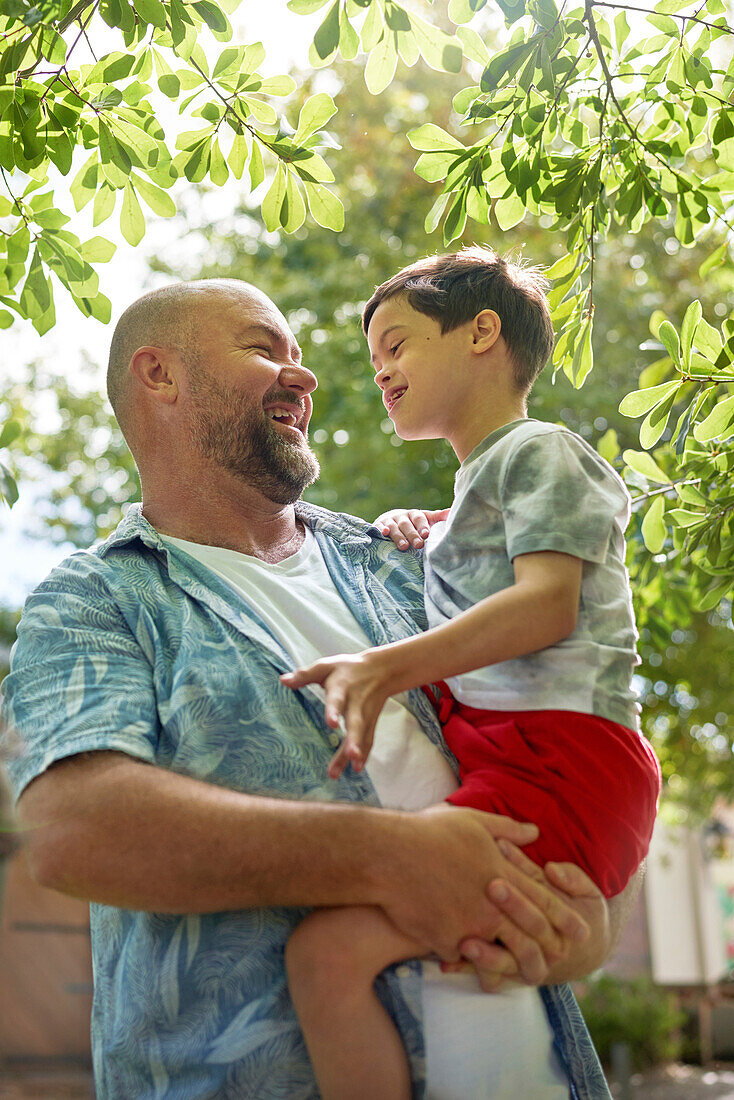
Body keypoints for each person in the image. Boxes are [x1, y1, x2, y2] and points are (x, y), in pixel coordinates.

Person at [1, 277, 631, 1100]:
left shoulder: (412, 565)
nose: (305, 377)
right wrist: (394, 861)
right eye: (266, 350)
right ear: (160, 376)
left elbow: (575, 741)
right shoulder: (99, 600)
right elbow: (72, 827)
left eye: (299, 356)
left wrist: (585, 934)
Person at [281, 249, 661, 1100]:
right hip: (527, 750)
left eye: (398, 344)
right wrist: (436, 524)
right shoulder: (489, 479)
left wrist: (387, 666)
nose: (381, 371)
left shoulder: (542, 450)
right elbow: (491, 551)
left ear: (483, 331)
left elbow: (546, 608)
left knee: (325, 954)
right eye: (376, 358)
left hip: (560, 753)